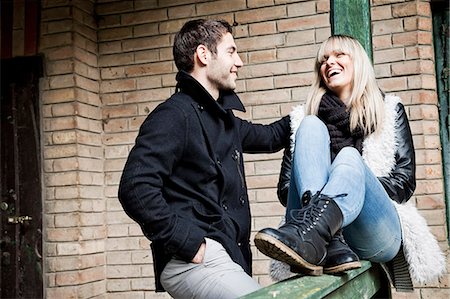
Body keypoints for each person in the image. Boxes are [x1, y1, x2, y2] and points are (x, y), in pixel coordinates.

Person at [254, 35, 445, 290]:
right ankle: (320, 235)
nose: (328, 63)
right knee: (311, 125)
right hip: (321, 241)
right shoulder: (302, 118)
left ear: (358, 62)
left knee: (349, 157)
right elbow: (286, 188)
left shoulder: (388, 110)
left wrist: (348, 182)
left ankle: (318, 231)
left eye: (338, 55)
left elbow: (404, 181)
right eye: (323, 60)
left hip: (375, 228)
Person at [118, 19, 291, 299]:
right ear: (203, 54)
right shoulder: (174, 115)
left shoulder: (225, 122)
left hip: (225, 258)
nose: (240, 61)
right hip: (191, 259)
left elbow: (271, 136)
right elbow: (135, 187)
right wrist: (189, 243)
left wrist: (317, 105)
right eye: (231, 51)